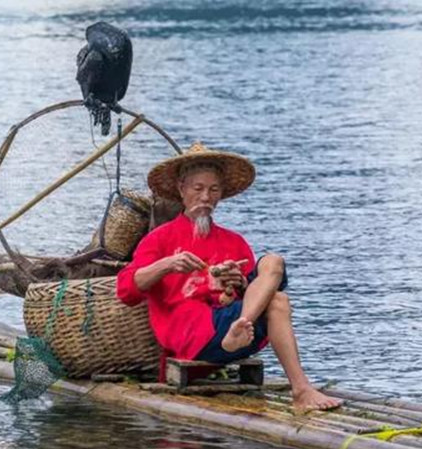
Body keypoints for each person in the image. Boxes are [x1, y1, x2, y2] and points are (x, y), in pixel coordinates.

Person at [116, 142, 342, 412]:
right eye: (197, 189)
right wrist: (167, 264)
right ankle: (298, 385)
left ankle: (294, 382)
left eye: (213, 190)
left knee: (274, 267)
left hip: (236, 326)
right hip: (193, 332)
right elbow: (126, 290)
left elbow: (254, 289)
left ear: (221, 194)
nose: (205, 197)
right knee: (277, 301)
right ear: (182, 190)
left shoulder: (233, 241)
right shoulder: (160, 238)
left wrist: (241, 284)